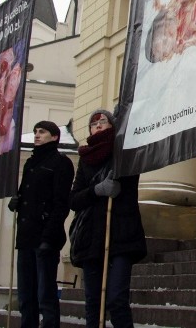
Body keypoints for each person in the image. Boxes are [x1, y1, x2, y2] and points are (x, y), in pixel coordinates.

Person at [69, 109, 147, 328]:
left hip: (121, 235)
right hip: (92, 240)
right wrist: (97, 190)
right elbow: (74, 200)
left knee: (116, 298)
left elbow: (131, 186)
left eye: (103, 121)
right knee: (93, 302)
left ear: (113, 125)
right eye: (93, 124)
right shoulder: (85, 159)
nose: (98, 126)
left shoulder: (124, 153)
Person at [7, 120, 75, 328]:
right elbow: (28, 197)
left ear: (54, 137)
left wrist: (48, 237)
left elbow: (61, 204)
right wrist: (16, 202)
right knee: (26, 296)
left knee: (45, 295)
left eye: (42, 132)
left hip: (45, 237)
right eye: (36, 131)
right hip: (26, 237)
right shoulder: (30, 163)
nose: (37, 135)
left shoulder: (61, 162)